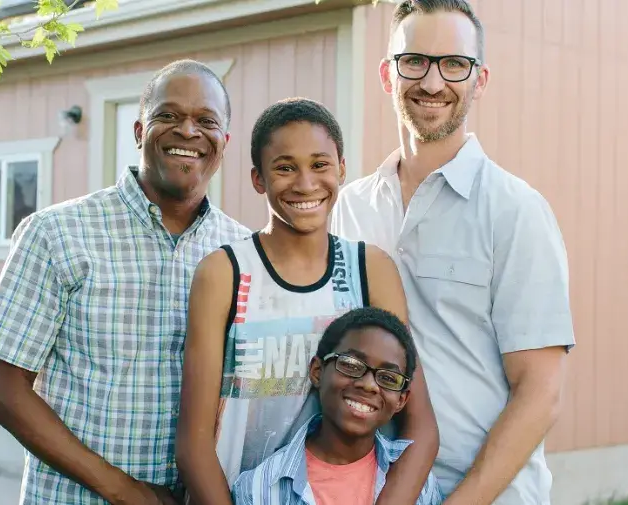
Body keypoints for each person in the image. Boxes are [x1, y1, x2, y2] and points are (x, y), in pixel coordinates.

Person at [0, 59, 251, 505]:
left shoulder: (243, 251)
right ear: (140, 131)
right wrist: (125, 491)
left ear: (225, 142)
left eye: (206, 121)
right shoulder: (57, 233)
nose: (188, 132)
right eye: (168, 116)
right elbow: (5, 392)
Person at [329, 2, 577, 504]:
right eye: (414, 60)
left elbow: (540, 393)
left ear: (479, 79)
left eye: (454, 64)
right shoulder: (350, 206)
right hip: (370, 488)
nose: (433, 82)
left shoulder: (516, 212)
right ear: (387, 73)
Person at [178, 97, 439, 505]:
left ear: (342, 169)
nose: (305, 183)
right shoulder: (224, 272)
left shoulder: (368, 268)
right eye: (285, 167)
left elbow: (420, 427)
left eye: (320, 164)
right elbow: (193, 446)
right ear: (258, 179)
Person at [230, 307, 444, 505]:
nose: (369, 385)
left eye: (388, 378)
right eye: (351, 365)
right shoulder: (260, 489)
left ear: (401, 400)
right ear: (317, 371)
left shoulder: (420, 487)